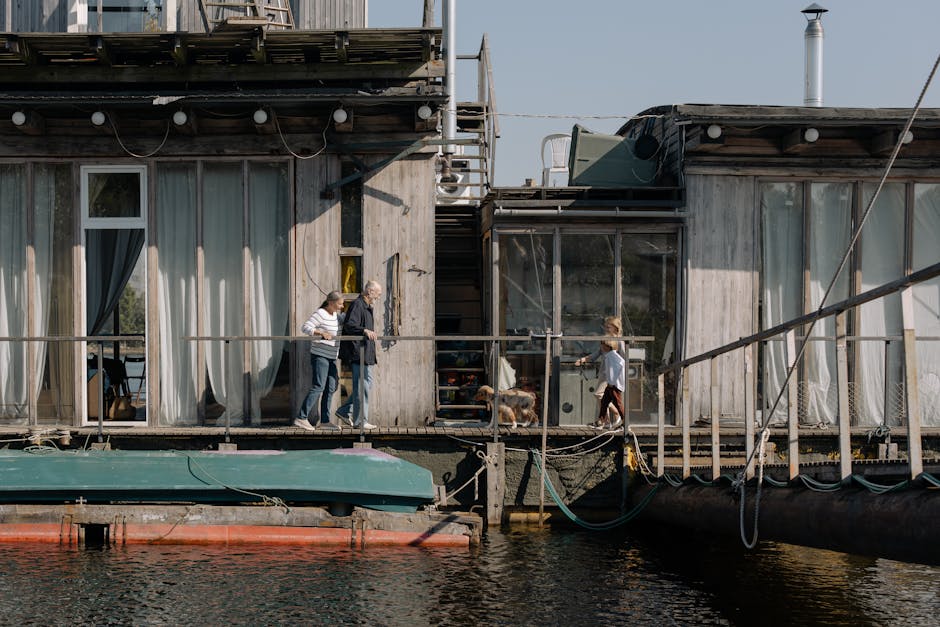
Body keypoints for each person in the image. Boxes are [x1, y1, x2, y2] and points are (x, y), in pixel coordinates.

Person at [294, 291, 344, 431]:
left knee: (331, 387)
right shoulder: (321, 313)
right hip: (320, 356)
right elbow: (305, 327)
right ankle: (301, 417)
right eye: (340, 303)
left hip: (332, 357)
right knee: (319, 386)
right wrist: (321, 333)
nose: (342, 306)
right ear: (331, 302)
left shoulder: (336, 316)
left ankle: (325, 421)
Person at [336, 280, 381, 429]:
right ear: (369, 292)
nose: (379, 297)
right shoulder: (358, 305)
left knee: (366, 386)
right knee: (362, 387)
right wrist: (364, 330)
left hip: (366, 352)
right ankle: (360, 421)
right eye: (378, 294)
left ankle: (344, 410)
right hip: (358, 353)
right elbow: (350, 325)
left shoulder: (367, 307)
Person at [574, 316, 627, 423]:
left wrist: (619, 374)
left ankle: (614, 414)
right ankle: (605, 420)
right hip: (604, 373)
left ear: (616, 328)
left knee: (600, 394)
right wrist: (583, 359)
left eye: (609, 327)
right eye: (606, 327)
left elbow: (623, 359)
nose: (606, 329)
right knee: (604, 397)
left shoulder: (619, 341)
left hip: (612, 375)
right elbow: (596, 354)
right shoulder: (606, 340)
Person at [593, 340, 625, 430]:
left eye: (602, 345)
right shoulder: (609, 356)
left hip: (614, 385)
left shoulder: (613, 356)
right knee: (604, 402)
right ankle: (601, 421)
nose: (601, 347)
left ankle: (625, 423)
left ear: (607, 346)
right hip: (611, 384)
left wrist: (613, 382)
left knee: (618, 404)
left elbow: (620, 366)